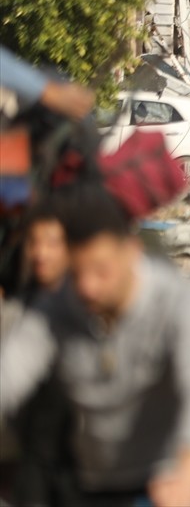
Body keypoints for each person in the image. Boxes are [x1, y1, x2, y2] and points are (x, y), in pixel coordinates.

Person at [0, 186, 190, 506]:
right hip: (100, 481)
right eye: (78, 272)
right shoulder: (56, 307)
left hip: (179, 473)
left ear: (132, 252)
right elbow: (10, 374)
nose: (87, 286)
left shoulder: (181, 304)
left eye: (101, 270)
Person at [7, 210, 75, 507]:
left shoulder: (93, 309)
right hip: (28, 460)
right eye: (33, 242)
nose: (41, 253)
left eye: (52, 242)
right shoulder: (17, 310)